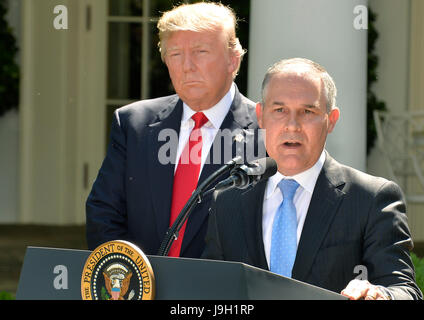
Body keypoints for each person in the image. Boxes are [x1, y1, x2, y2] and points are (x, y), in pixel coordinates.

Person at [202, 58, 422, 300]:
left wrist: (379, 295)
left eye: (308, 111)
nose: (292, 125)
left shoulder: (372, 198)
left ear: (331, 120)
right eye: (280, 110)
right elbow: (210, 289)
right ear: (261, 116)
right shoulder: (227, 200)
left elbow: (405, 291)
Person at [86, 2, 262, 258]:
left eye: (200, 52)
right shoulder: (134, 123)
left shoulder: (266, 130)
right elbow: (103, 212)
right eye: (176, 54)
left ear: (232, 60)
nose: (187, 66)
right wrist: (131, 279)